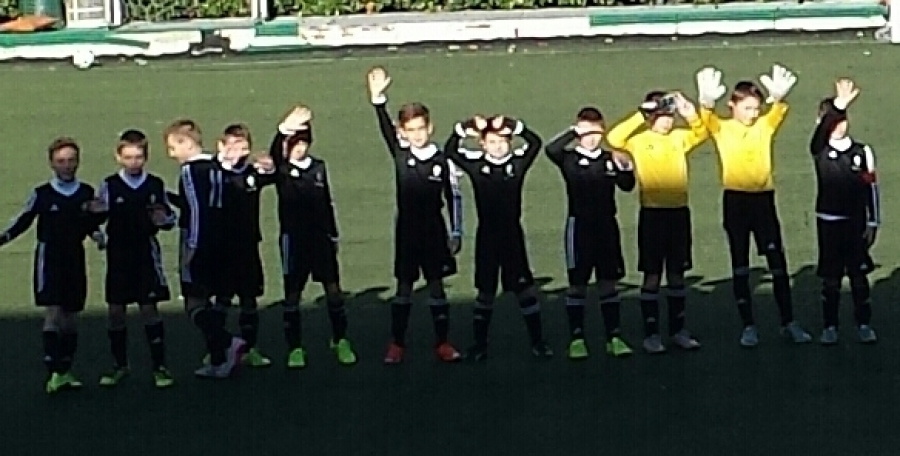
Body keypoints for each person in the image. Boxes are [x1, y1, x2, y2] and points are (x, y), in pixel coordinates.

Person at [695, 65, 811, 347]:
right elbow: (706, 118)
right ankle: (748, 326)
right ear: (732, 106)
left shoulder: (764, 126)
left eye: (756, 108)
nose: (753, 114)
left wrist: (778, 97)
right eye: (747, 108)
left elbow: (777, 111)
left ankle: (788, 322)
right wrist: (705, 101)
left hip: (763, 202)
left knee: (777, 263)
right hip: (736, 202)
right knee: (740, 265)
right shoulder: (722, 127)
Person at [366, 67, 464, 364]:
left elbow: (454, 196)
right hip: (407, 230)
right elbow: (385, 129)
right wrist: (378, 100)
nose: (417, 135)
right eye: (410, 130)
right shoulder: (401, 154)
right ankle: (397, 344)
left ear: (430, 128)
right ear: (403, 132)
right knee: (404, 287)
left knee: (436, 286)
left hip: (434, 230)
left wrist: (456, 232)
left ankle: (443, 343)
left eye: (421, 128)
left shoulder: (442, 160)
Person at [0, 137, 105, 393]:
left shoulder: (85, 192)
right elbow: (23, 220)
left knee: (71, 317)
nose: (66, 166)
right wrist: (4, 238)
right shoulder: (43, 194)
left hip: (74, 257)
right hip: (50, 258)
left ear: (78, 162)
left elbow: (91, 223)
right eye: (61, 161)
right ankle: (54, 372)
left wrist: (98, 235)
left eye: (71, 160)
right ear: (51, 164)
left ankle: (65, 370)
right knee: (54, 312)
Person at [607, 92, 706, 354]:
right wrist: (642, 113)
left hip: (679, 213)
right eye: (662, 116)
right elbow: (614, 138)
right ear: (651, 117)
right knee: (652, 275)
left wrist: (691, 114)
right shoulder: (639, 140)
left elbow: (702, 133)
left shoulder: (679, 137)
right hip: (652, 215)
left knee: (677, 274)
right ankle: (651, 334)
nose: (667, 121)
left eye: (670, 116)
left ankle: (678, 331)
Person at [445, 115, 551, 361]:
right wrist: (466, 126)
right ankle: (479, 345)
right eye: (492, 141)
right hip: (487, 238)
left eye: (503, 141)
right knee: (486, 292)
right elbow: (451, 150)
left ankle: (538, 342)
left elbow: (535, 143)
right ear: (482, 144)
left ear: (510, 141)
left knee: (524, 290)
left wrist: (514, 125)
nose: (498, 146)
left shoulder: (517, 163)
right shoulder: (476, 165)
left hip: (512, 236)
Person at [264, 106, 356, 368]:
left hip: (321, 238)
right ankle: (295, 348)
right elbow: (274, 154)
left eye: (303, 143)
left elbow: (327, 202)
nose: (298, 149)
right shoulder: (282, 169)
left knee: (333, 290)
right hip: (294, 240)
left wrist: (333, 234)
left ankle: (340, 340)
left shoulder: (318, 167)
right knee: (293, 294)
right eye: (294, 144)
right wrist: (283, 130)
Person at [545, 107, 636, 360]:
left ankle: (613, 337)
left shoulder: (609, 158)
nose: (592, 138)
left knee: (608, 282)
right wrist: (574, 132)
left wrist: (626, 168)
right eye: (587, 133)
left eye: (596, 133)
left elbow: (627, 186)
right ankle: (577, 339)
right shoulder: (569, 158)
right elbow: (551, 149)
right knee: (578, 284)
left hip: (607, 227)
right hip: (579, 227)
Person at [91, 130, 176, 388]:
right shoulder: (109, 185)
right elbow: (96, 216)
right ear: (118, 157)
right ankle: (120, 365)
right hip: (118, 256)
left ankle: (160, 367)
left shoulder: (155, 184)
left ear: (146, 157)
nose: (133, 162)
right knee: (116, 311)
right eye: (128, 157)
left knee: (149, 309)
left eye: (138, 157)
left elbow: (169, 218)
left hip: (145, 255)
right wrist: (96, 230)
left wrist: (163, 220)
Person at [165, 119, 246, 378]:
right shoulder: (217, 167)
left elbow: (198, 210)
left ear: (188, 144)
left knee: (194, 303)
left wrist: (192, 247)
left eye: (173, 147)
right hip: (223, 243)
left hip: (199, 243)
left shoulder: (190, 171)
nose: (171, 154)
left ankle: (227, 342)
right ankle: (218, 359)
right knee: (213, 301)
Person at [809, 78, 879, 345]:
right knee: (831, 279)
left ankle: (864, 324)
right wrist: (838, 105)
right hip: (829, 223)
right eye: (833, 121)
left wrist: (873, 222)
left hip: (855, 222)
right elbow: (821, 134)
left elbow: (871, 188)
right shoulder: (819, 149)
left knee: (859, 276)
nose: (839, 125)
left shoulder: (862, 151)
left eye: (842, 120)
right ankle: (830, 327)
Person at [211, 124, 271, 368]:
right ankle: (217, 348)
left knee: (249, 299)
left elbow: (275, 171)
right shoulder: (211, 172)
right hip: (221, 248)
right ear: (221, 146)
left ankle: (250, 348)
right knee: (221, 299)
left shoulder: (252, 173)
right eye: (234, 146)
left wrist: (269, 164)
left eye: (244, 148)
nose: (239, 152)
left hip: (248, 247)